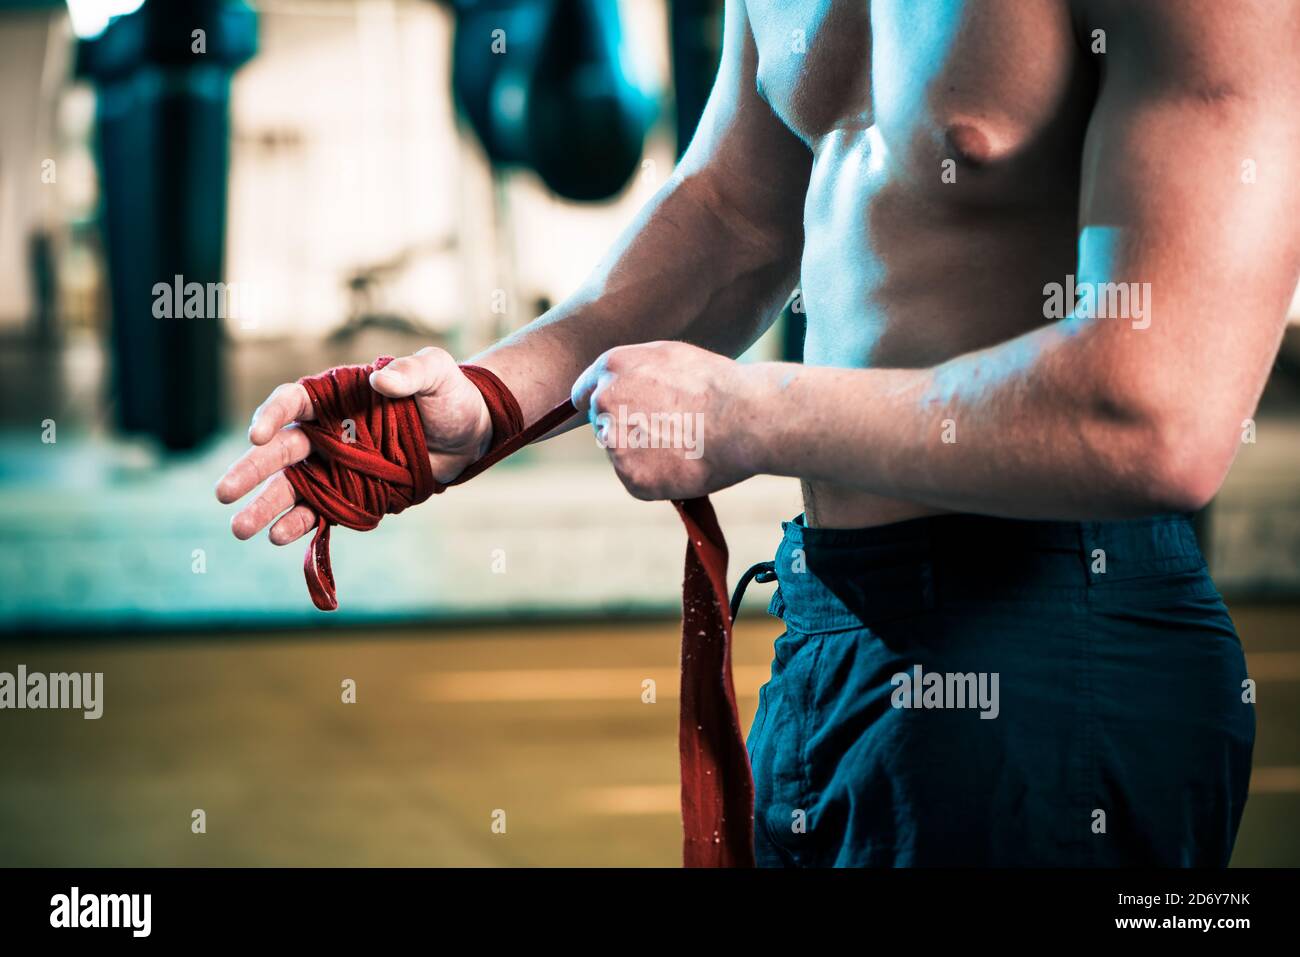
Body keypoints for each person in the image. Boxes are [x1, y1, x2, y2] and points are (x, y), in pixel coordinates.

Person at [216, 0, 1300, 866]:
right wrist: (489, 403)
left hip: (1054, 649)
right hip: (830, 629)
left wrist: (751, 415)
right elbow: (735, 213)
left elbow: (1158, 413)